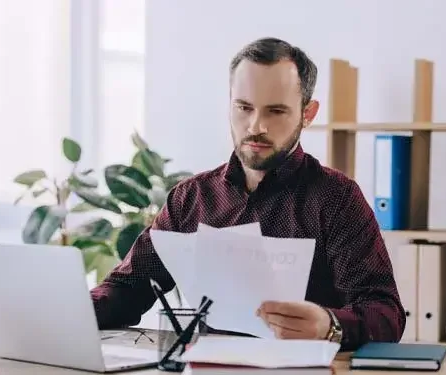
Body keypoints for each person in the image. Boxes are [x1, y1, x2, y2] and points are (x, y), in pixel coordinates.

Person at [90, 37, 405, 350]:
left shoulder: (337, 199)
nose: (257, 126)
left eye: (276, 111)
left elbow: (385, 314)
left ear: (307, 114)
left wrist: (329, 325)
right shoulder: (191, 198)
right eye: (244, 107)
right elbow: (127, 290)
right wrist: (66, 312)